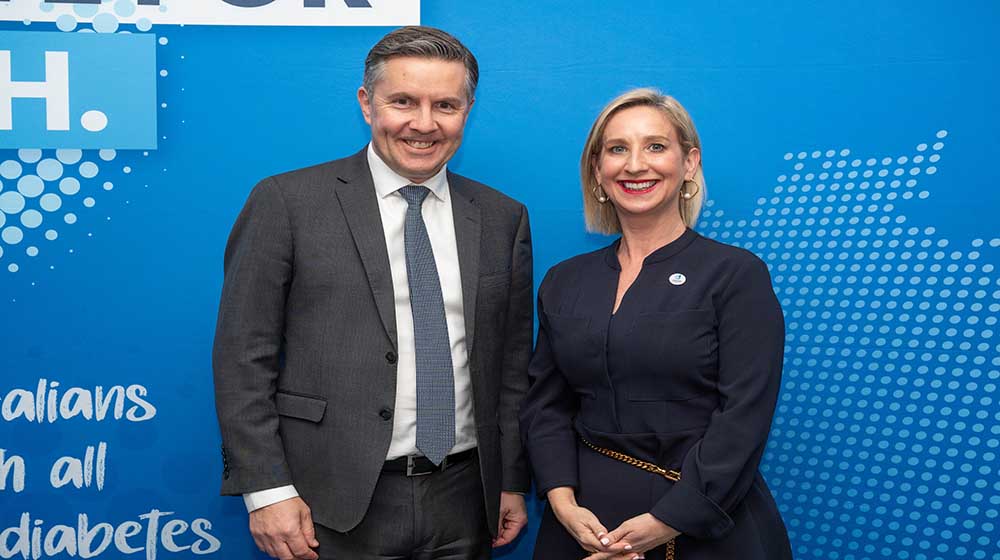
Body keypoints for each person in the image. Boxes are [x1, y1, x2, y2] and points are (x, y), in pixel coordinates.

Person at [212, 26, 532, 560]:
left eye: (445, 105)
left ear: (468, 110)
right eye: (402, 101)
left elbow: (512, 366)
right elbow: (243, 356)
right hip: (326, 501)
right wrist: (265, 490)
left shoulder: (502, 217)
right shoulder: (286, 202)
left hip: (466, 500)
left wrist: (512, 479)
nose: (423, 124)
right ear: (367, 103)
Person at [519, 88, 792, 560]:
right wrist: (561, 501)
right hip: (583, 524)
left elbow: (745, 416)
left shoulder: (735, 274)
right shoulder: (564, 281)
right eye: (617, 149)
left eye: (656, 146)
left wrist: (668, 521)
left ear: (689, 163)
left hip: (702, 521)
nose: (635, 165)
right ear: (597, 170)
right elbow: (546, 404)